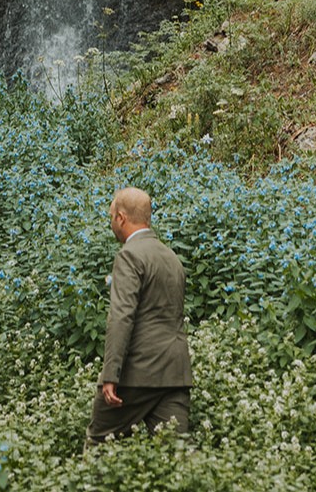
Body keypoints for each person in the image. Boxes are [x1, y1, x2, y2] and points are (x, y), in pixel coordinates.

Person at [85, 186, 193, 444]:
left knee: (99, 442)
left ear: (120, 218)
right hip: (175, 372)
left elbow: (121, 316)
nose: (112, 222)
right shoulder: (171, 257)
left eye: (112, 216)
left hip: (138, 371)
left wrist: (111, 375)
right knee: (176, 453)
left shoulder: (130, 256)